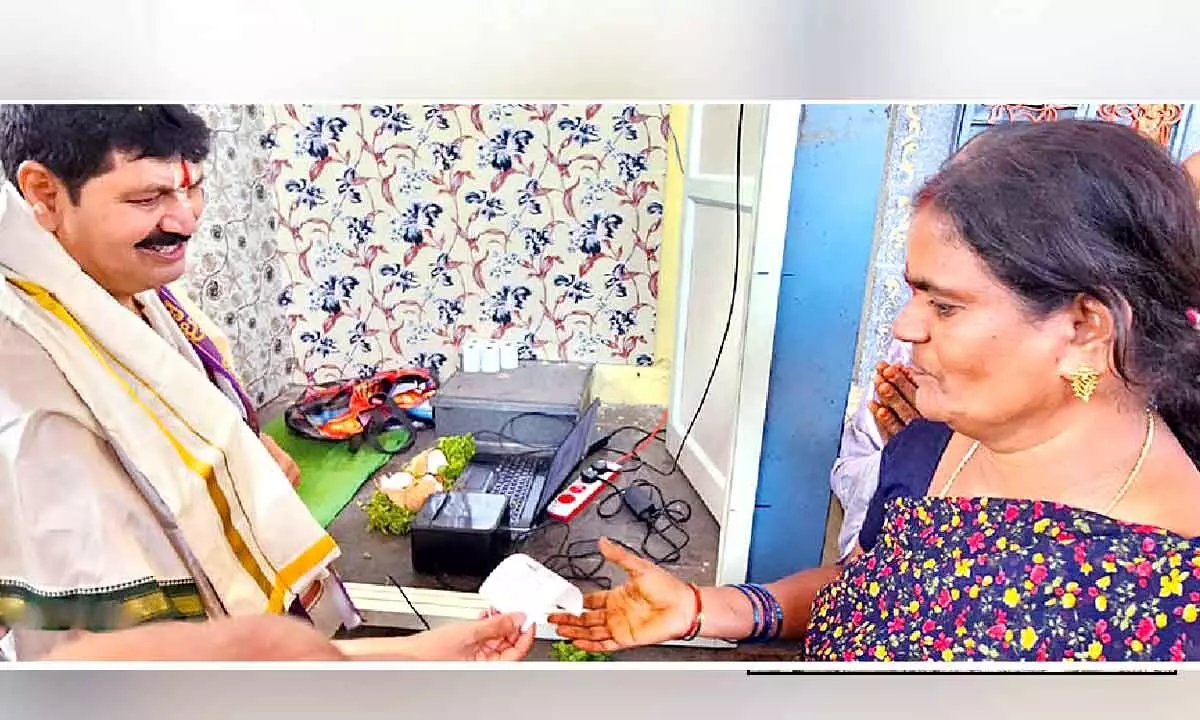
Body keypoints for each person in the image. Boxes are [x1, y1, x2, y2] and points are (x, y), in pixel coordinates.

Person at [551, 118, 1200, 661]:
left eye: (944, 306)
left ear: (1086, 329)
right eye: (914, 290)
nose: (904, 325)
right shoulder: (928, 444)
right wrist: (708, 607)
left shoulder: (1168, 599)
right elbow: (865, 589)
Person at [0, 105, 532, 661]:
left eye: (194, 189)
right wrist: (406, 664)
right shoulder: (26, 378)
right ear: (44, 192)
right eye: (147, 199)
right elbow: (118, 662)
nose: (185, 219)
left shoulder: (118, 288)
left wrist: (241, 462)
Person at [829, 338, 915, 559]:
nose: (902, 326)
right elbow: (846, 472)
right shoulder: (907, 353)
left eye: (946, 308)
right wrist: (900, 461)